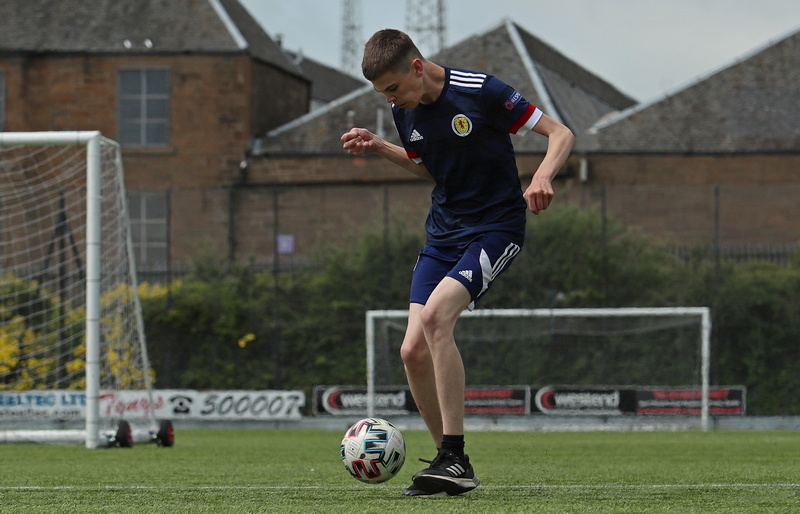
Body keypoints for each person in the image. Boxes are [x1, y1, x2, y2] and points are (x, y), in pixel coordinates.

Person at [341, 29, 574, 497]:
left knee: (435, 318)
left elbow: (560, 133)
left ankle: (453, 453)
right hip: (443, 233)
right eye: (383, 94)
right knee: (411, 350)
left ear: (415, 66)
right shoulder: (401, 110)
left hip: (496, 228)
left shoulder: (481, 90)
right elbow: (430, 166)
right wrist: (382, 146)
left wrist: (542, 175)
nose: (391, 100)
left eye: (392, 88)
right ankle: (452, 462)